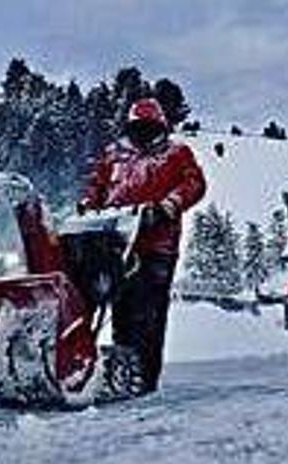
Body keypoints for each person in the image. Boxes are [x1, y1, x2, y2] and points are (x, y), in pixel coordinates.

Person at [78, 97, 206, 394]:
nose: (142, 134)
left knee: (146, 313)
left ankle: (145, 379)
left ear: (160, 127)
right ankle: (120, 369)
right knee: (119, 309)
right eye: (137, 129)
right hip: (114, 242)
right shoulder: (114, 156)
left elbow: (194, 184)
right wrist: (88, 204)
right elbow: (97, 186)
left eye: (148, 128)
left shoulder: (176, 154)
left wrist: (167, 206)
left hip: (156, 247)